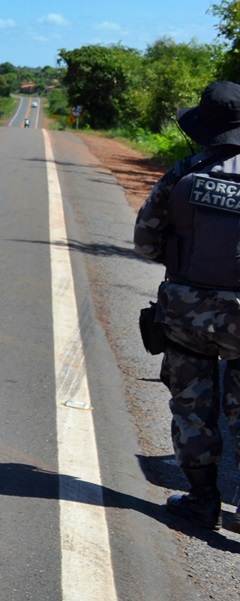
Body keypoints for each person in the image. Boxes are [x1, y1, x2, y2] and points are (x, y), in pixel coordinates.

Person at [133, 80, 240, 532]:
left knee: (192, 409)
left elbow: (146, 242)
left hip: (186, 315)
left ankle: (203, 501)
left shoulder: (183, 173)